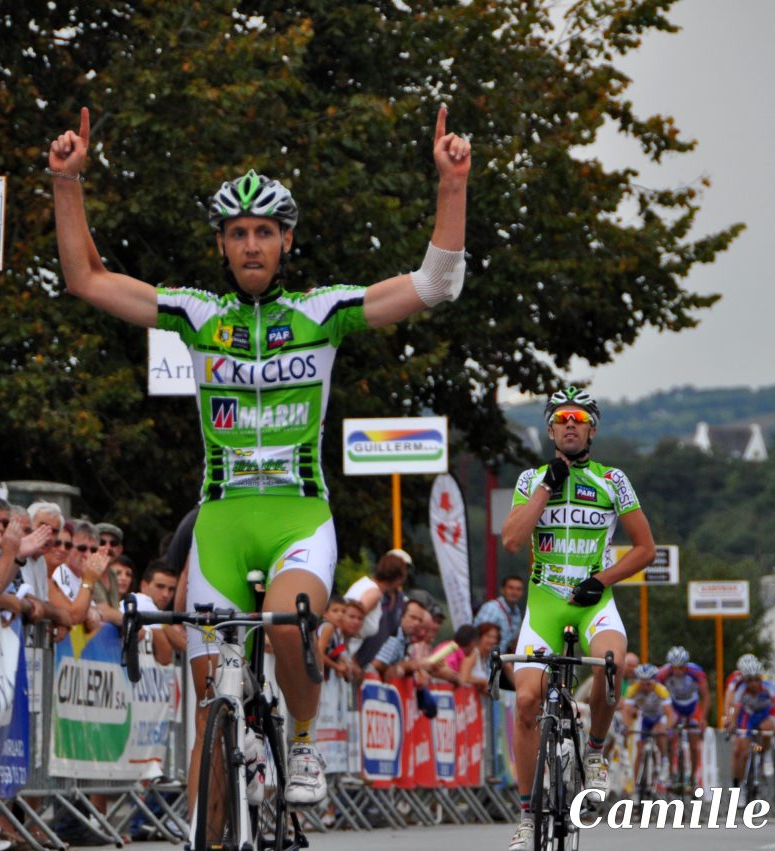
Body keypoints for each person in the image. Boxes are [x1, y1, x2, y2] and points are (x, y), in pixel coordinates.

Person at [50, 101, 470, 807]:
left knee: (287, 629)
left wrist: (451, 185)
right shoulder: (197, 314)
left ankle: (302, 743)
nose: (251, 245)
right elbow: (86, 280)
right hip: (219, 520)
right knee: (213, 693)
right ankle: (216, 806)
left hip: (298, 518)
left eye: (265, 232)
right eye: (238, 233)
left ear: (287, 240)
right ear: (221, 243)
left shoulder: (322, 312)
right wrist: (67, 181)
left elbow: (433, 285)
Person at [500, 385, 656, 850]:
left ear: (591, 429)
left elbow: (645, 548)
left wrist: (604, 579)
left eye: (580, 417)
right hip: (544, 605)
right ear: (550, 429)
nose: (571, 423)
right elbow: (511, 540)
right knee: (527, 702)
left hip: (593, 601)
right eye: (562, 417)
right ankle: (528, 817)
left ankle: (594, 752)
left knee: (613, 666)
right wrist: (548, 486)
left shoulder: (613, 479)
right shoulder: (531, 480)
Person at [344, 549, 410, 668]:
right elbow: (350, 621)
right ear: (398, 579)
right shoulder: (374, 594)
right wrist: (351, 659)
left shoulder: (363, 584)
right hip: (345, 655)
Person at [723, 655, 775, 788]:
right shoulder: (736, 682)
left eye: (755, 679)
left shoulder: (764, 683)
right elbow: (730, 703)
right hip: (745, 712)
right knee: (739, 749)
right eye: (748, 679)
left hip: (762, 713)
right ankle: (738, 785)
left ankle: (763, 753)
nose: (752, 682)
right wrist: (729, 721)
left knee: (765, 731)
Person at [657, 645, 709, 788]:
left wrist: (703, 718)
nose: (678, 671)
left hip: (692, 706)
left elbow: (705, 696)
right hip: (674, 706)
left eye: (681, 668)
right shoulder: (663, 673)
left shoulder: (696, 672)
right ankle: (670, 771)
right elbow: (657, 695)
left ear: (686, 666)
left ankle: (693, 777)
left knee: (694, 743)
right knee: (669, 736)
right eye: (675, 668)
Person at [621, 663, 676, 789]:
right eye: (642, 683)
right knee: (639, 749)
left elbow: (670, 714)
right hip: (645, 717)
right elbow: (626, 711)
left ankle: (664, 761)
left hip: (659, 716)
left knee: (660, 733)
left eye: (648, 683)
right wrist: (627, 727)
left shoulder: (661, 690)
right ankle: (635, 787)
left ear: (654, 681)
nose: (645, 686)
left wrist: (667, 728)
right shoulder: (633, 689)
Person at [475, 574, 525, 654]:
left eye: (518, 589)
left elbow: (513, 642)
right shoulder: (492, 608)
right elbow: (480, 641)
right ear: (502, 590)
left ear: (522, 593)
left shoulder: (517, 612)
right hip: (486, 662)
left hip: (499, 661)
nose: (514, 592)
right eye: (510, 588)